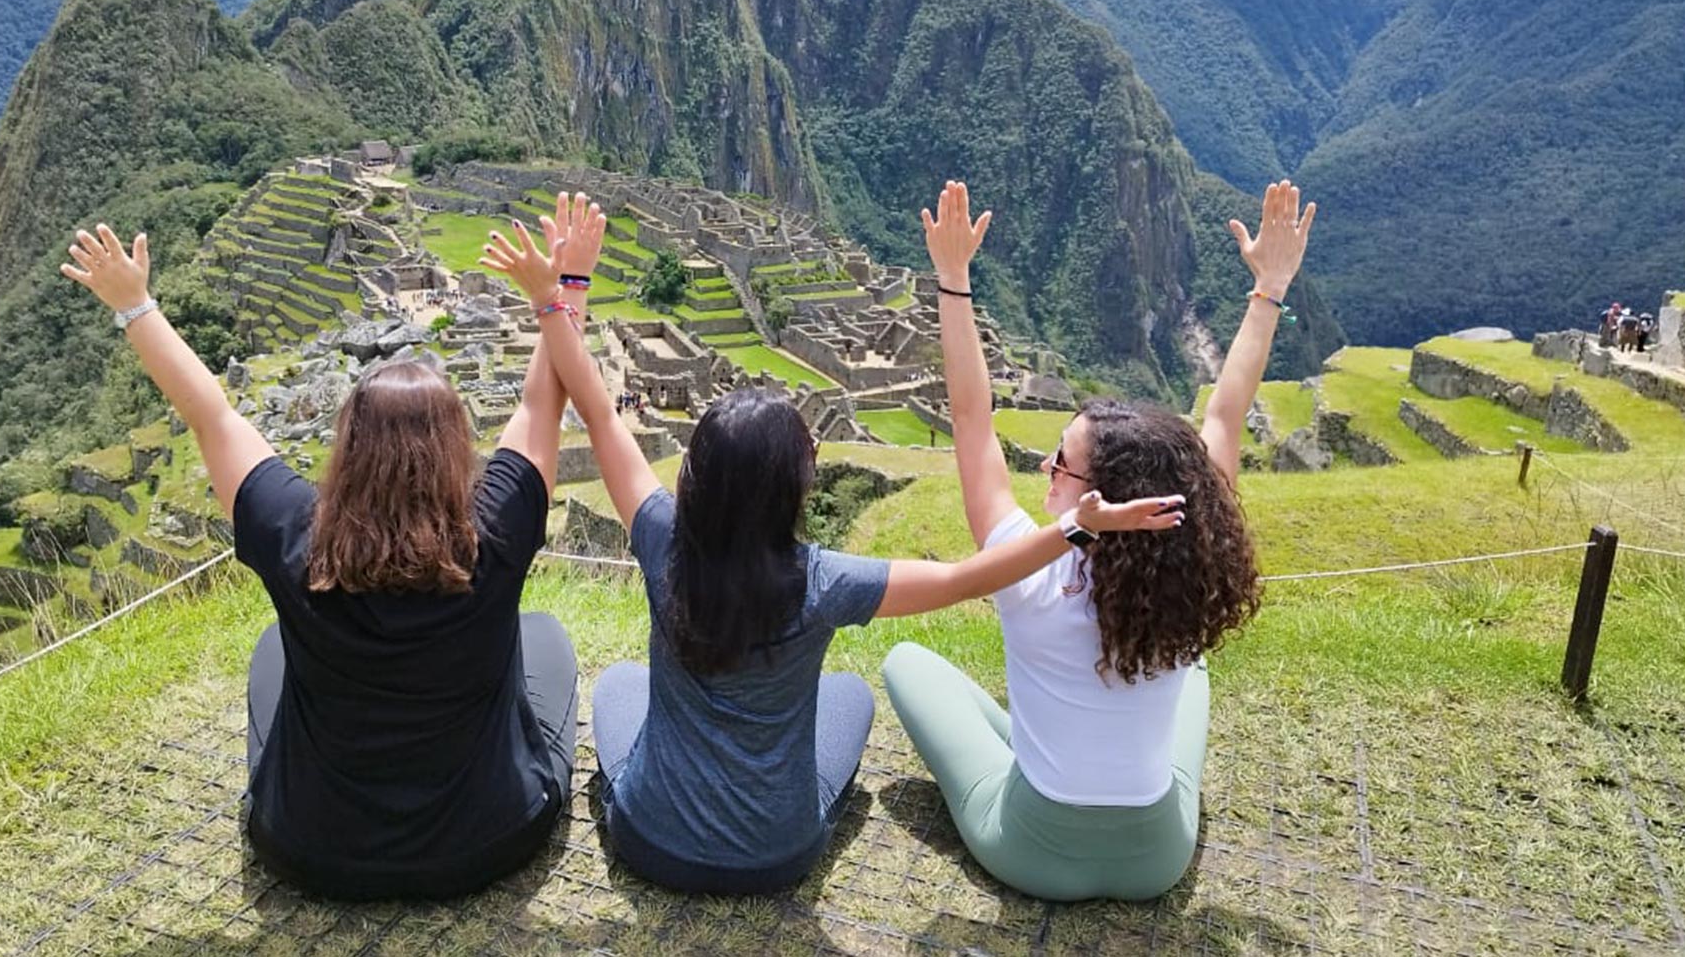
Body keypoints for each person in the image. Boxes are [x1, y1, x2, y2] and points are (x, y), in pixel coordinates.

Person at [480, 205, 1183, 895]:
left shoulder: (660, 535)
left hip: (651, 841)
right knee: (847, 697)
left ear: (696, 475)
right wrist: (1076, 528)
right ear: (792, 488)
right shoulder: (824, 581)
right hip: (776, 856)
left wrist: (561, 295)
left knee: (619, 686)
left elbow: (599, 413)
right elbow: (966, 579)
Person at [57, 196, 593, 901]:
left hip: (310, 849)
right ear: (455, 447)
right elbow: (540, 407)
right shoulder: (495, 530)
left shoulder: (297, 537)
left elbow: (210, 414)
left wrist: (134, 306)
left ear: (350, 447)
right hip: (488, 840)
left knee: (272, 652)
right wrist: (565, 291)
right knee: (546, 640)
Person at [882, 179, 1297, 902]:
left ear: (1098, 492)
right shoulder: (1192, 565)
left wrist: (953, 282)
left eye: (1061, 462)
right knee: (1191, 679)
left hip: (1032, 850)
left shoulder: (1023, 568)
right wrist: (1269, 292)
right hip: (1157, 858)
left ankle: (1050, 747)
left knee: (908, 661)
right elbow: (1226, 418)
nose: (1047, 468)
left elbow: (971, 419)